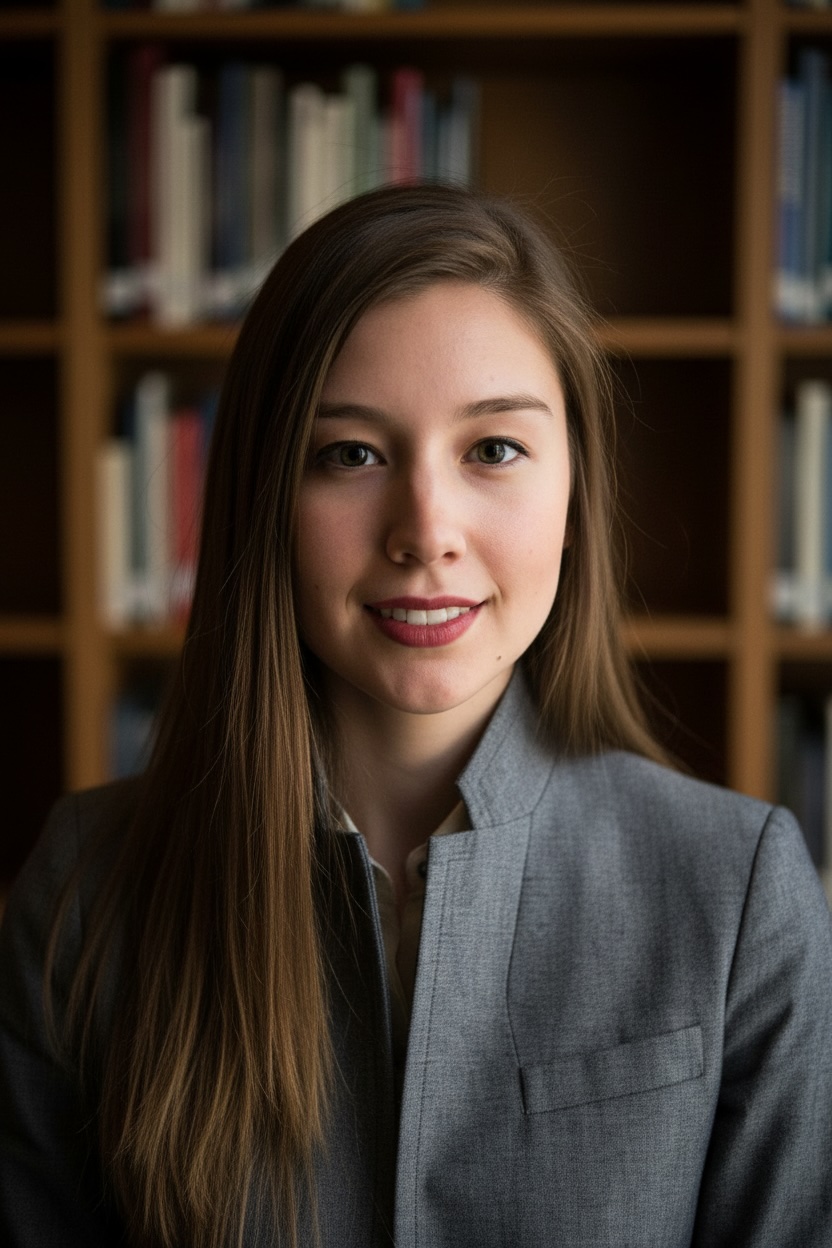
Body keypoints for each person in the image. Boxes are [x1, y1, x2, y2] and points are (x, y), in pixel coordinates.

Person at [1, 184, 831, 1248]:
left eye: (492, 450)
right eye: (350, 454)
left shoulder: (738, 893)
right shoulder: (86, 890)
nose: (425, 531)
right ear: (263, 498)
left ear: (575, 492)